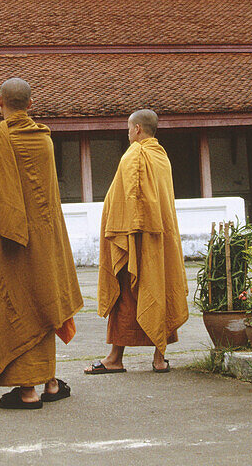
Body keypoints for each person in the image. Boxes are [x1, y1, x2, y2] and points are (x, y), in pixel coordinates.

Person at [0, 78, 83, 409]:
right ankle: (51, 382)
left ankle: (27, 391)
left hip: (4, 248)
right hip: (42, 243)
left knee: (18, 311)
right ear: (29, 105)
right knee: (42, 303)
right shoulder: (45, 142)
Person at [85, 109, 188, 375]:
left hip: (132, 237)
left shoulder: (134, 154)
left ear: (138, 129)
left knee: (126, 293)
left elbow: (123, 199)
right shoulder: (162, 157)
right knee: (158, 285)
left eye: (129, 128)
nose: (128, 132)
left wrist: (118, 233)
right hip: (159, 240)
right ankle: (159, 358)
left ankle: (115, 358)